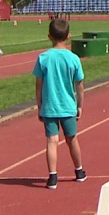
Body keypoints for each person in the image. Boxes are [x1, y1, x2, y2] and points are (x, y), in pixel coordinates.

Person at [33, 19, 87, 189]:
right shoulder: (73, 58)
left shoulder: (43, 58)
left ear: (49, 36)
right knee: (72, 139)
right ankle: (79, 171)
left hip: (50, 106)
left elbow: (38, 86)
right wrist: (79, 105)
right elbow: (80, 85)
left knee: (52, 141)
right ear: (69, 36)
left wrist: (39, 105)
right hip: (68, 106)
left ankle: (53, 177)